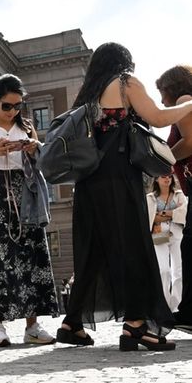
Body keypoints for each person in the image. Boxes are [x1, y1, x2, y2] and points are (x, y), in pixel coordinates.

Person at [56, 43, 192, 351]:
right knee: (132, 246)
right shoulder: (124, 82)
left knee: (94, 252)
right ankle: (135, 326)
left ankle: (71, 323)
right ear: (123, 62)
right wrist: (189, 105)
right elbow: (157, 117)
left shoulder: (88, 93)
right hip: (118, 177)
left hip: (89, 182)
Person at [0, 74, 59, 347]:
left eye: (18, 105)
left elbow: (40, 164)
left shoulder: (26, 125)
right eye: (7, 105)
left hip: (26, 190)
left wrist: (33, 149)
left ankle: (32, 326)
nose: (13, 111)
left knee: (33, 255)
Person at [158, 64, 192, 333]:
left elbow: (191, 141)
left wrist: (165, 158)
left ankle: (189, 312)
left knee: (189, 249)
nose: (161, 101)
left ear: (172, 88)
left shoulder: (184, 100)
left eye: (162, 93)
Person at [146, 174, 186, 312]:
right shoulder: (150, 198)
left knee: (179, 271)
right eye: (163, 176)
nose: (167, 179)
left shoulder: (179, 194)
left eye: (169, 176)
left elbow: (184, 212)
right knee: (164, 270)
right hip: (159, 233)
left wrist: (163, 214)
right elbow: (150, 217)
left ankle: (176, 306)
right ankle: (164, 305)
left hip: (177, 232)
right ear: (157, 179)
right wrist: (172, 213)